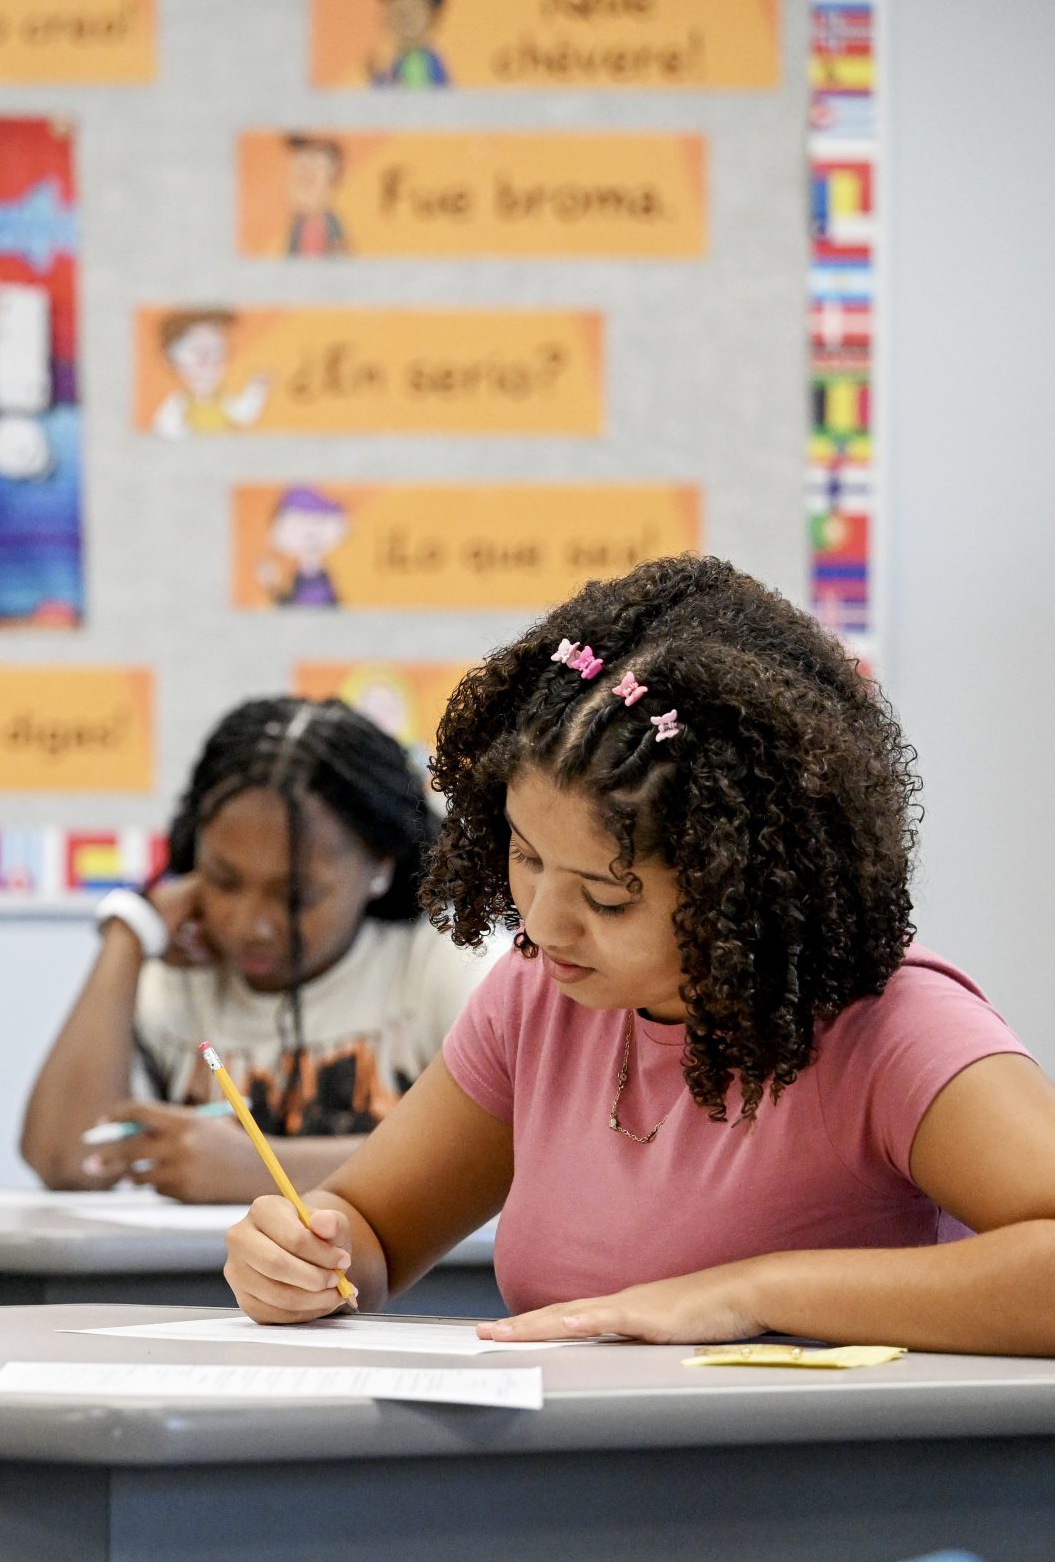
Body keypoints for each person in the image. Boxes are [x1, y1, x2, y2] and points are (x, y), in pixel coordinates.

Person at [225, 557, 1055, 1355]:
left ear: (741, 883)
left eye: (608, 895)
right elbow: (369, 1232)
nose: (546, 925)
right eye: (527, 855)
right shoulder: (538, 997)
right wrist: (303, 1258)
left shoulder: (896, 1026)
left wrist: (753, 1292)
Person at [22, 698, 486, 1203]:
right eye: (222, 880)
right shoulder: (171, 975)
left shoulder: (450, 961)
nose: (252, 925)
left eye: (294, 897)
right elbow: (69, 1162)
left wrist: (260, 1171)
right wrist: (128, 935)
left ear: (380, 866)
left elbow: (502, 1154)